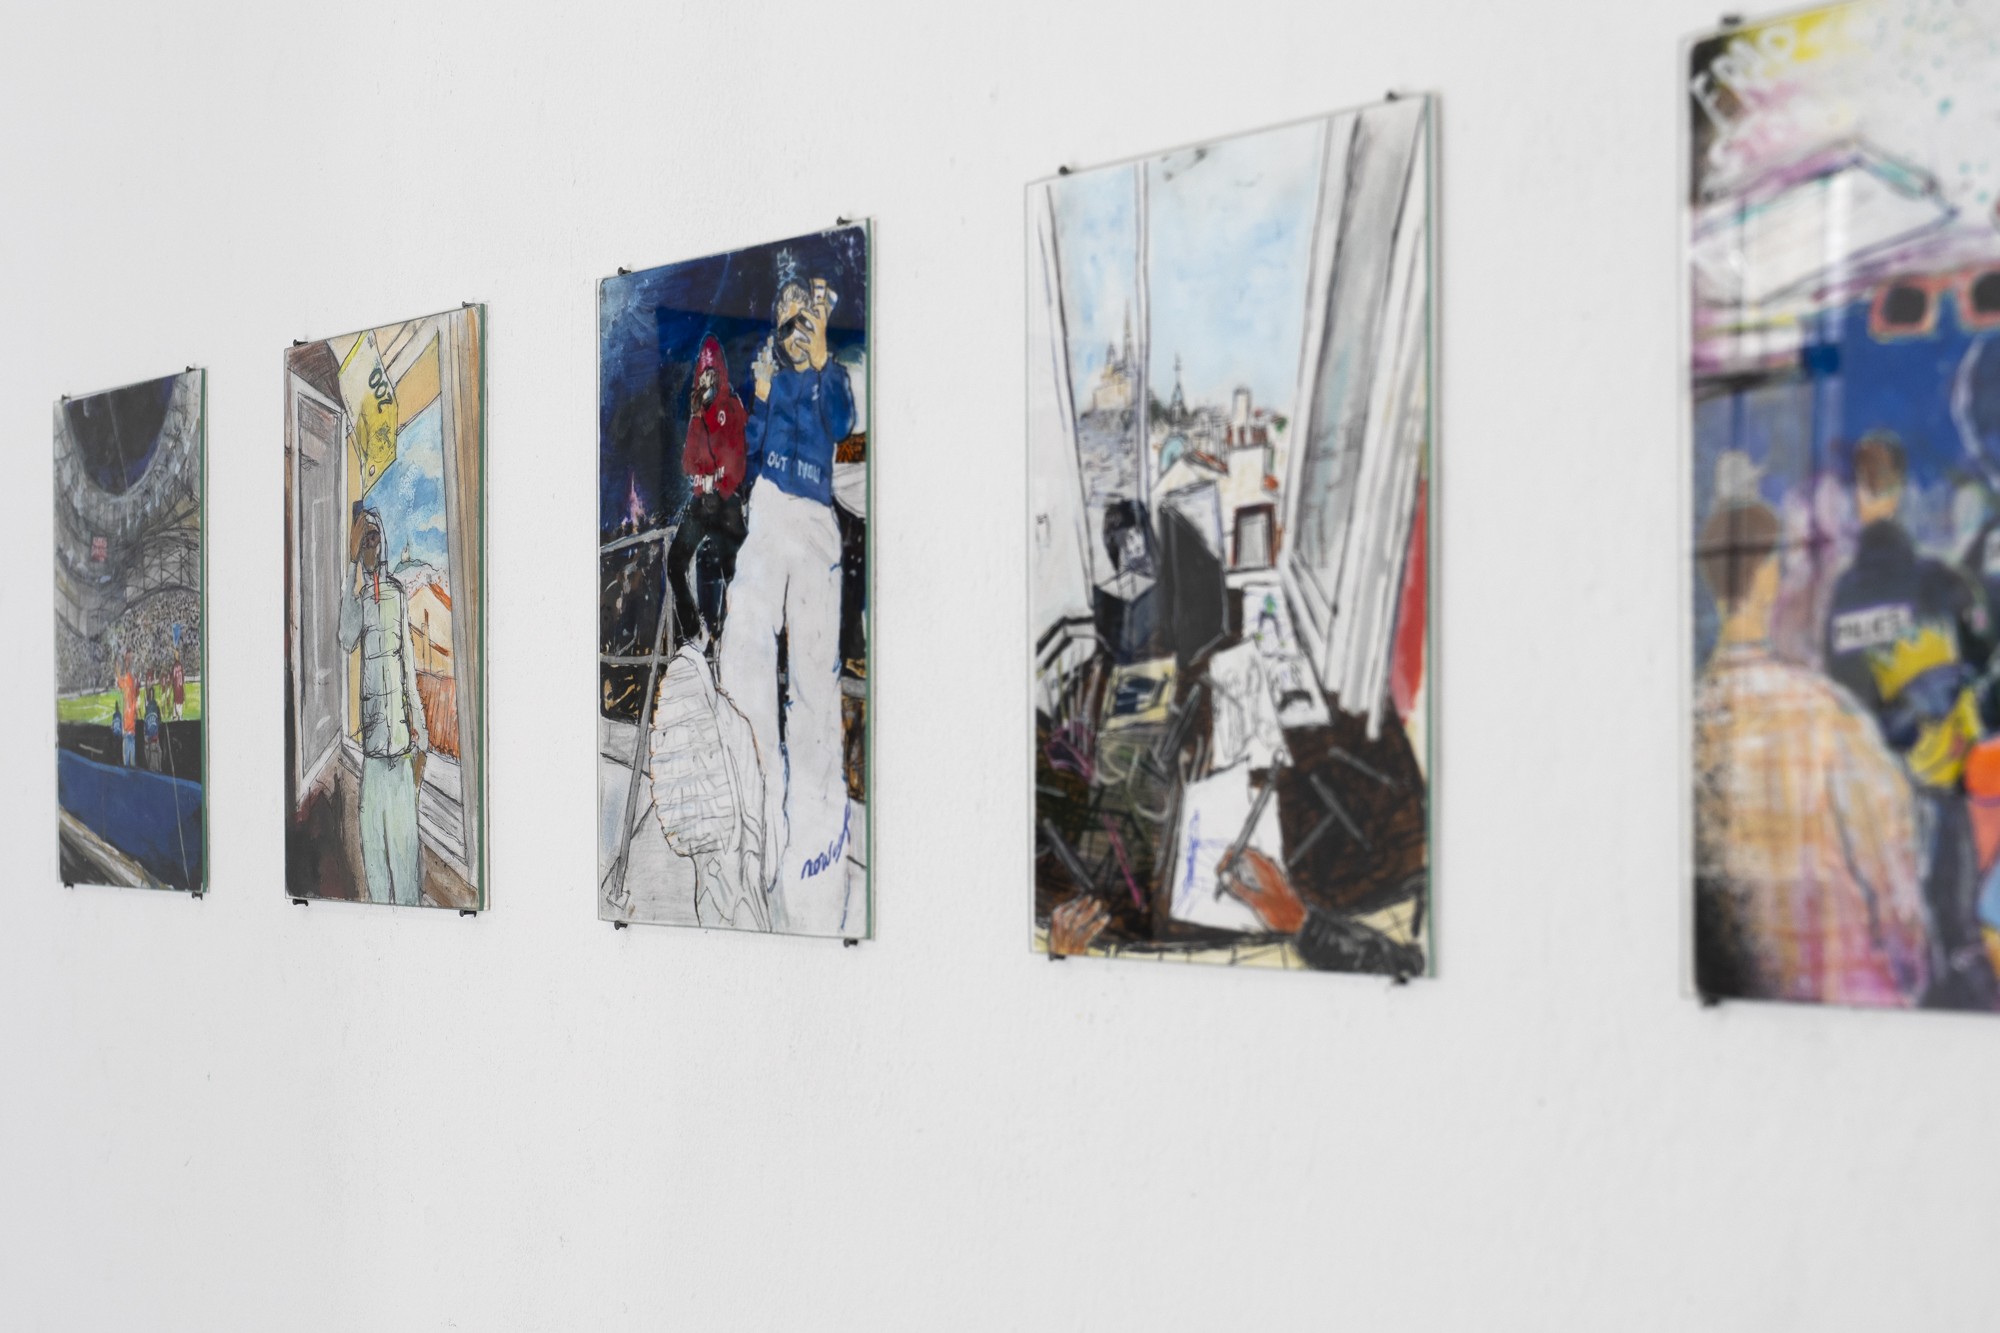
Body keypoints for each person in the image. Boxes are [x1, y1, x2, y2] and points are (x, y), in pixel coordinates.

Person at [1699, 499, 1932, 1005]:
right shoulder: (1824, 713)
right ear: (1767, 579)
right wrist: (1911, 961)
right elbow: (1892, 870)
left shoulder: (1689, 720)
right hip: (1838, 989)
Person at [1824, 433, 2000, 1007]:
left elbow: (1839, 694)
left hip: (1872, 807)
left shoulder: (1840, 600)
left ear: (1856, 498)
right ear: (1900, 491)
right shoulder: (1939, 583)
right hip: (1942, 801)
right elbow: (1982, 658)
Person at [718, 266, 856, 933]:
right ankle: (752, 827)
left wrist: (822, 357)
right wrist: (762, 396)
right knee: (745, 642)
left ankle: (814, 867)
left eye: (805, 320)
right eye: (787, 324)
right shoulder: (775, 377)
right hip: (772, 510)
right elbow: (749, 455)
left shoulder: (829, 375)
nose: (795, 332)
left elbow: (842, 422)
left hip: (815, 517)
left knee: (813, 686)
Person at [339, 507, 430, 906]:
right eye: (364, 542)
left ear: (384, 543)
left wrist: (422, 737)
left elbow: (407, 663)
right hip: (373, 757)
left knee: (406, 867)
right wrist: (349, 567)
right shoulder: (360, 601)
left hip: (402, 750)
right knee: (375, 867)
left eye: (374, 538)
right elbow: (345, 638)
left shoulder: (397, 595)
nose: (370, 547)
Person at [667, 335, 749, 645]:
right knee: (676, 562)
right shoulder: (698, 414)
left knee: (736, 572)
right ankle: (694, 633)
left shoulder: (732, 406)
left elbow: (736, 461)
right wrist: (696, 418)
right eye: (702, 376)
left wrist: (717, 481)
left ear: (721, 374)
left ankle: (740, 638)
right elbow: (688, 462)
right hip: (702, 500)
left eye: (712, 375)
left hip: (726, 501)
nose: (707, 382)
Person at [117, 652, 139, 769]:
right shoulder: (132, 681)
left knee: (126, 761)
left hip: (127, 724)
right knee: (132, 759)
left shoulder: (127, 680)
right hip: (132, 725)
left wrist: (117, 669)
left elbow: (120, 682)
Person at [142, 679, 162, 772]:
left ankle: (156, 767)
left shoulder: (154, 707)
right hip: (149, 732)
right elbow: (146, 721)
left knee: (154, 750)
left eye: (151, 694)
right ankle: (154, 768)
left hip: (152, 732)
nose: (150, 696)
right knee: (151, 750)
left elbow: (158, 720)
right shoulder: (150, 707)